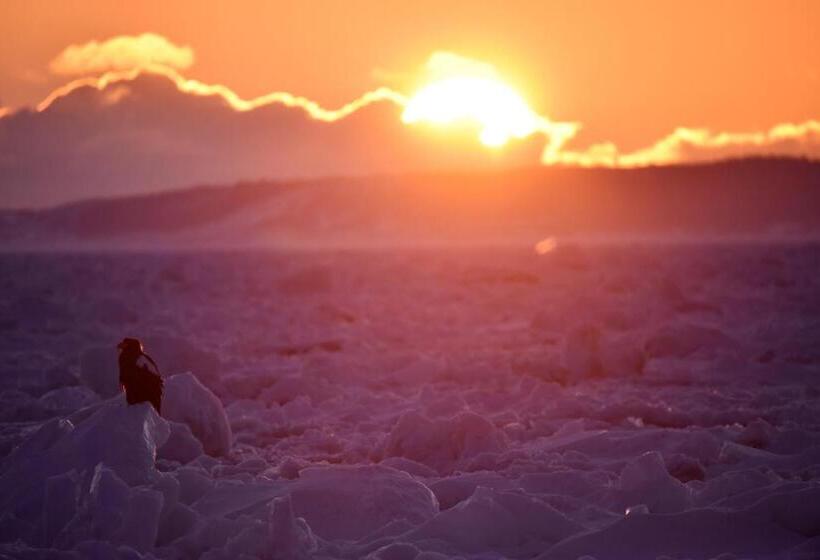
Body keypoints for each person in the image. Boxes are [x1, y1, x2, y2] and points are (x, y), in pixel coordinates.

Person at [117, 337, 164, 414]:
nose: (122, 346)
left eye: (126, 345)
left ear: (131, 346)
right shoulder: (129, 358)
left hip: (147, 399)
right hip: (138, 399)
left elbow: (155, 384)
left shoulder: (140, 359)